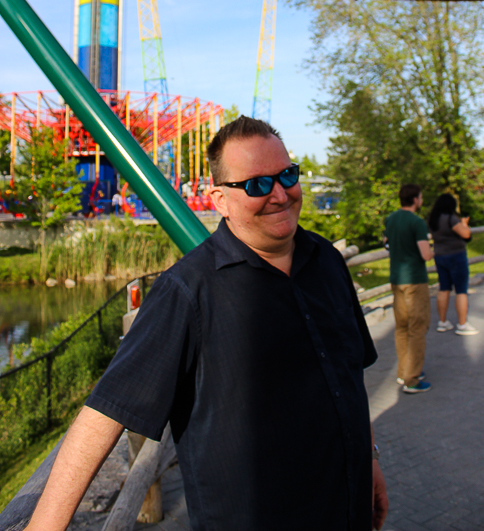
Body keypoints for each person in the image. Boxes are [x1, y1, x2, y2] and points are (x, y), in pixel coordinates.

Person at [26, 116, 388, 531]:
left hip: (348, 508)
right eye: (256, 185)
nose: (279, 194)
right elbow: (104, 414)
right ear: (219, 199)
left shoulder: (326, 261)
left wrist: (370, 460)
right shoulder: (187, 291)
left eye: (287, 175)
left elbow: (347, 377)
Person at [384, 184, 432, 394]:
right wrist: (435, 250)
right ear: (415, 199)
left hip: (396, 279)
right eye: (420, 197)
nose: (421, 200)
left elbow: (386, 243)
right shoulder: (417, 222)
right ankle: (412, 379)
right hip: (415, 280)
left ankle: (404, 371)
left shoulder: (391, 219)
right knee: (418, 327)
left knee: (402, 327)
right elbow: (425, 254)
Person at [428, 194, 478, 336]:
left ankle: (442, 322)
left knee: (444, 288)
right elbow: (466, 234)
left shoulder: (433, 220)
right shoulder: (451, 219)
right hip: (456, 256)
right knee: (461, 290)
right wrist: (465, 224)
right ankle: (462, 324)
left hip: (440, 256)